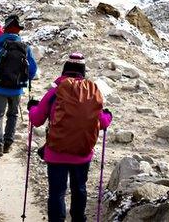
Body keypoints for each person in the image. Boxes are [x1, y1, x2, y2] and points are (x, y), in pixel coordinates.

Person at [28, 53, 112, 222]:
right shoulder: (93, 93)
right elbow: (102, 122)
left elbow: (37, 120)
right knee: (79, 189)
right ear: (83, 72)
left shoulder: (55, 92)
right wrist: (108, 116)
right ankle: (78, 219)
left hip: (56, 152)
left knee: (57, 193)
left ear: (64, 70)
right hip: (82, 153)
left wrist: (32, 108)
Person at [0, 15, 38, 159]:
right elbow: (33, 69)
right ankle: (8, 143)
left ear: (5, 30)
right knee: (12, 115)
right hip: (17, 88)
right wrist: (26, 78)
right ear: (18, 31)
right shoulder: (25, 48)